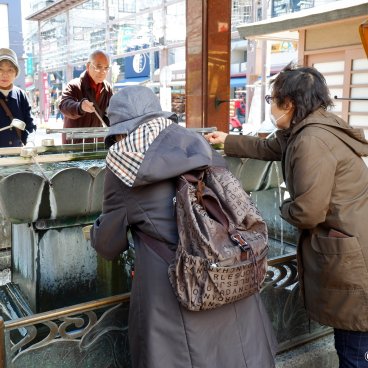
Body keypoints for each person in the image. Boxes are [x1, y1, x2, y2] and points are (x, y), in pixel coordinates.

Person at [90, 86, 277, 368]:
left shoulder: (125, 168)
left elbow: (108, 245)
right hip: (228, 273)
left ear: (120, 130)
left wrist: (95, 229)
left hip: (176, 293)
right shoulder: (199, 147)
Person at [205, 63, 368, 368]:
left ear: (289, 103)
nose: (271, 107)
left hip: (351, 255)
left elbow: (308, 212)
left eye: (272, 100)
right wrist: (227, 140)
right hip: (353, 243)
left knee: (355, 350)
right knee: (354, 343)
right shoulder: (312, 127)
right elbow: (270, 147)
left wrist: (269, 212)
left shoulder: (311, 141)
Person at [59, 50, 113, 144]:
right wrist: (80, 106)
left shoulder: (107, 89)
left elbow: (111, 114)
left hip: (96, 142)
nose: (102, 72)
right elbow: (63, 105)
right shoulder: (74, 85)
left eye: (106, 68)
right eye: (98, 67)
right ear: (88, 66)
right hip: (74, 143)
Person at [0, 48, 36, 147]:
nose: (5, 74)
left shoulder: (21, 95)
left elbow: (30, 125)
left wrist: (30, 142)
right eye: (0, 69)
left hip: (18, 155)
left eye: (10, 70)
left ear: (16, 73)